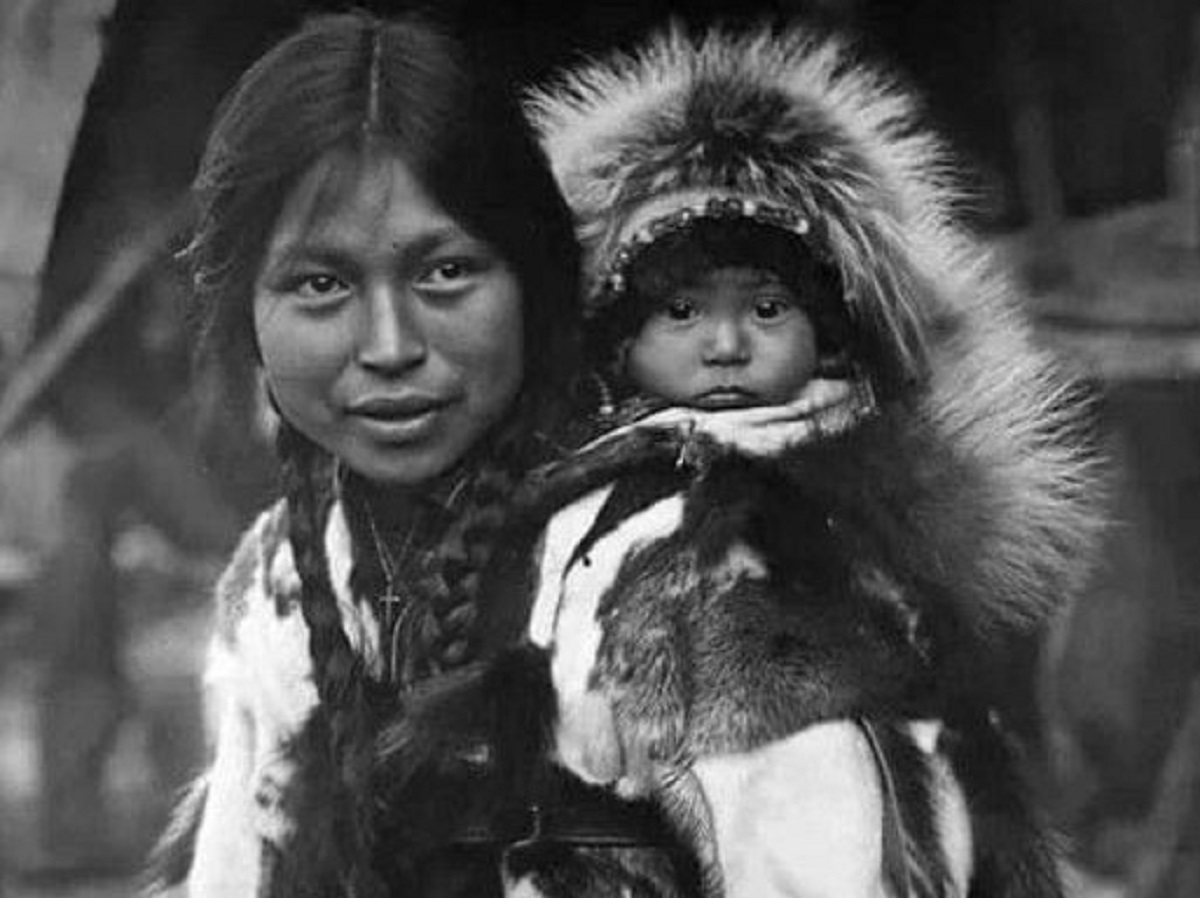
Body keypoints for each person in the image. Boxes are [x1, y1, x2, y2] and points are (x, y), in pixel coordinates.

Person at [372, 25, 1106, 898]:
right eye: (680, 310)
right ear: (618, 340)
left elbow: (813, 824)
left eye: (766, 307)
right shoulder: (593, 482)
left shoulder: (799, 534)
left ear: (829, 337)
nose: (725, 344)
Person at [146, 12, 703, 898]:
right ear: (245, 317)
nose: (391, 344)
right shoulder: (277, 584)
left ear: (535, 281)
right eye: (320, 284)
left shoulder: (688, 565)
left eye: (445, 271)